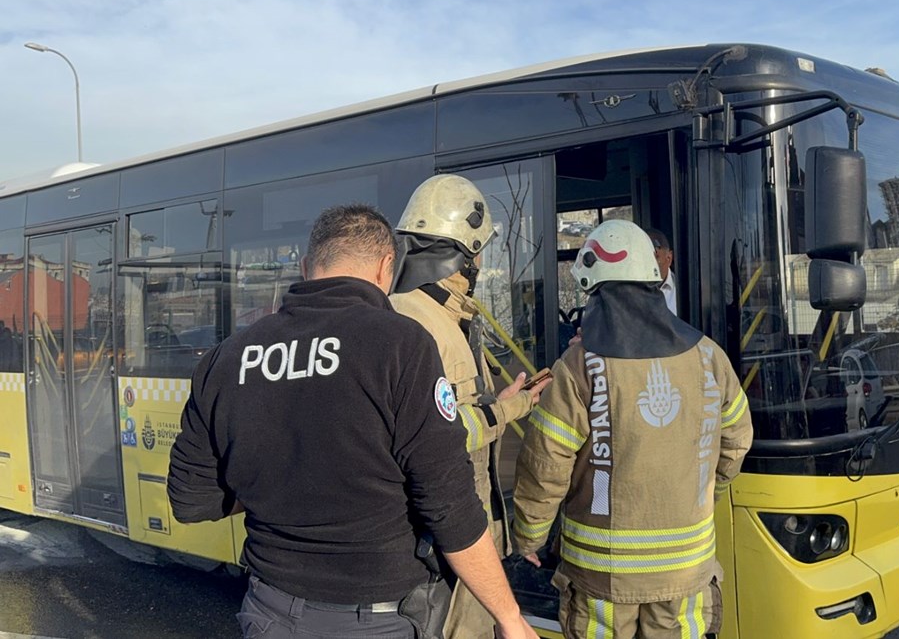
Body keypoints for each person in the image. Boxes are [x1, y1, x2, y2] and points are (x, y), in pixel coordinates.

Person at [167, 204, 537, 639]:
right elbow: (448, 504)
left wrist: (288, 482)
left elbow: (190, 501)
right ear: (386, 268)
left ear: (307, 267)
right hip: (377, 620)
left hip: (268, 614)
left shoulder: (226, 358)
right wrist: (509, 616)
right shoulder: (401, 344)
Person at [511, 220, 754, 639]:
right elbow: (735, 442)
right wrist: (700, 492)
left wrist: (529, 536)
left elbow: (546, 464)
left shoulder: (581, 366)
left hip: (602, 579)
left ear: (594, 288)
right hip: (686, 572)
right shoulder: (709, 356)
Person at [389, 174, 552, 638]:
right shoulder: (417, 323)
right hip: (441, 547)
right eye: (479, 251)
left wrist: (503, 404)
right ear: (465, 252)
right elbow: (441, 437)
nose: (482, 262)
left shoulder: (448, 316)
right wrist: (507, 411)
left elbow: (455, 416)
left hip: (461, 535)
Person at [643, 227, 677, 315]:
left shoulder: (681, 291)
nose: (647, 263)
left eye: (654, 256)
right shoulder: (631, 290)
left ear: (668, 258)